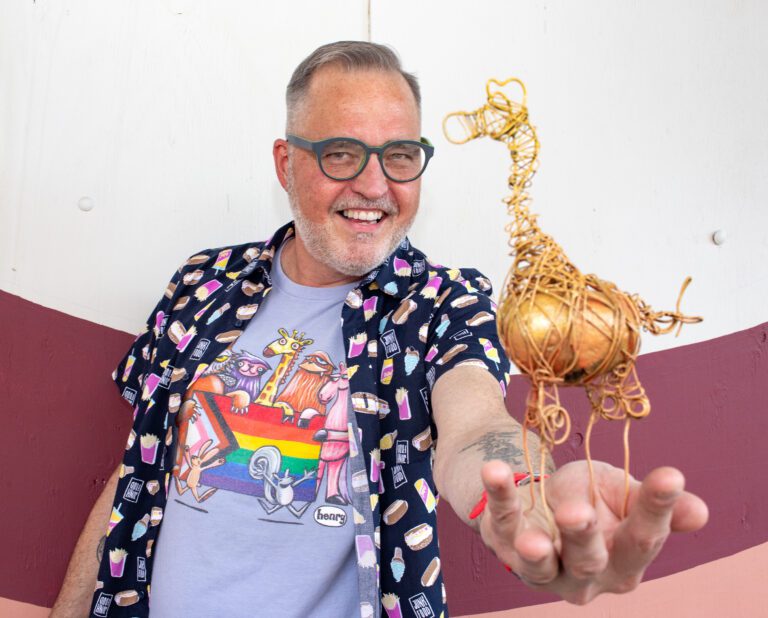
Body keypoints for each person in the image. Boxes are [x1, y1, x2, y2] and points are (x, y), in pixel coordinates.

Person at [51, 41, 708, 618]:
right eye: (341, 153)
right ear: (285, 164)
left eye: (400, 155)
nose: (374, 185)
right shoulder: (204, 282)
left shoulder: (444, 302)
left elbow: (476, 424)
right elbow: (137, 469)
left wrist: (529, 496)